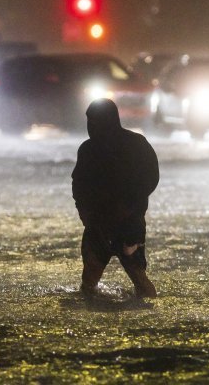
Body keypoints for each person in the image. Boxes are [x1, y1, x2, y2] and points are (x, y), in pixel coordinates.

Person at [72, 98, 160, 299]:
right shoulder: (89, 149)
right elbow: (79, 185)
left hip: (124, 223)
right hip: (105, 223)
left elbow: (149, 179)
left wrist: (129, 206)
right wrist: (86, 214)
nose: (90, 126)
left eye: (93, 120)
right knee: (91, 282)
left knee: (136, 278)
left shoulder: (133, 145)